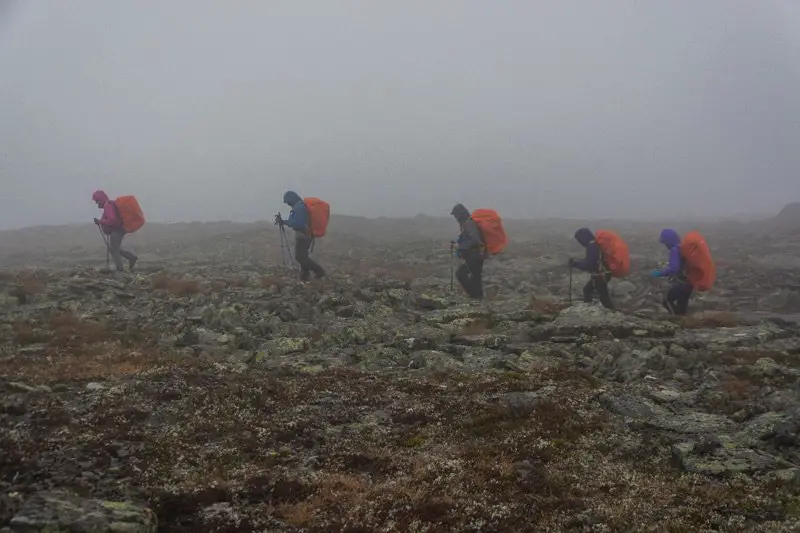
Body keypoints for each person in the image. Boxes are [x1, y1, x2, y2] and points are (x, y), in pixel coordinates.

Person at [277, 191, 326, 282]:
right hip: (307, 235)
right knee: (303, 256)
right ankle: (304, 276)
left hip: (303, 235)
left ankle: (319, 271)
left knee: (300, 257)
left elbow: (298, 223)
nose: (288, 204)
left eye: (288, 202)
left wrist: (285, 222)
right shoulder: (301, 206)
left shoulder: (299, 207)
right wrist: (285, 222)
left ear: (291, 199)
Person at [650, 228, 692, 315]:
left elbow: (674, 269)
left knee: (667, 301)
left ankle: (676, 322)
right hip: (689, 283)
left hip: (680, 283)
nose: (665, 245)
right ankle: (682, 322)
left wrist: (658, 273)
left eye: (665, 242)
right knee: (682, 304)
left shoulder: (675, 250)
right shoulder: (682, 248)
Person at [93, 190, 137, 272]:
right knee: (114, 249)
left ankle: (120, 269)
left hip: (116, 230)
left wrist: (100, 222)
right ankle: (131, 258)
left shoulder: (107, 206)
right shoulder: (110, 205)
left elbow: (112, 219)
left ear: (100, 200)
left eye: (97, 201)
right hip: (119, 230)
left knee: (113, 250)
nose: (97, 204)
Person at [569, 228, 614, 309]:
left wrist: (575, 264)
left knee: (592, 292)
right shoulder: (596, 244)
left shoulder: (592, 246)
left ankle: (591, 311)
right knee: (592, 291)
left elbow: (588, 265)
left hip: (600, 275)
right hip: (604, 273)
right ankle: (599, 310)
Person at [451, 203, 485, 299]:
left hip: (475, 255)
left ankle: (476, 298)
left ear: (460, 214)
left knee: (464, 275)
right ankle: (476, 297)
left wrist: (460, 246)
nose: (455, 218)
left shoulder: (469, 223)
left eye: (455, 215)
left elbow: (475, 239)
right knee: (474, 278)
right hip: (474, 255)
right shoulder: (466, 223)